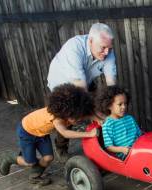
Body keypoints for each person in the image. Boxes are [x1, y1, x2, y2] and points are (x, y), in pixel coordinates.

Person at [0, 84, 98, 185]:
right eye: (76, 117)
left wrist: (100, 120)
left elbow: (89, 113)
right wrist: (89, 134)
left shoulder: (71, 112)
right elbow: (65, 133)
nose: (79, 119)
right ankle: (9, 157)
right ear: (65, 112)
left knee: (48, 158)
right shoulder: (57, 119)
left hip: (42, 133)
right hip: (26, 132)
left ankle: (35, 175)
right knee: (29, 162)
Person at [47, 23, 118, 161]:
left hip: (85, 81)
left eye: (109, 48)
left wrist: (114, 109)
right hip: (63, 86)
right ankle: (61, 147)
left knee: (104, 109)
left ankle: (105, 144)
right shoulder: (73, 48)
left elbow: (111, 85)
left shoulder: (107, 49)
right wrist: (95, 115)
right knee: (68, 118)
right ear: (90, 41)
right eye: (103, 48)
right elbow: (81, 91)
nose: (107, 53)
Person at [97, 86, 142, 159]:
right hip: (126, 155)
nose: (124, 107)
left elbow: (139, 134)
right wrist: (122, 149)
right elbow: (109, 146)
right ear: (109, 106)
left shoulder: (129, 118)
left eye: (125, 103)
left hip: (139, 149)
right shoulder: (108, 125)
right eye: (120, 104)